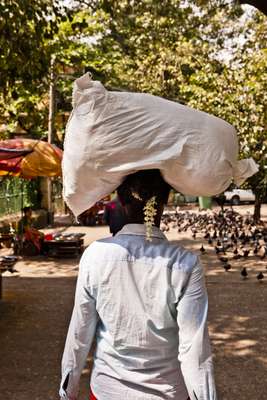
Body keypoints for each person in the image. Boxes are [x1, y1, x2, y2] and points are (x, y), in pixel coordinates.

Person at [59, 169, 217, 400]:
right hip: (167, 393)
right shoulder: (185, 263)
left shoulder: (95, 255)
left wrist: (67, 391)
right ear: (165, 202)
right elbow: (194, 349)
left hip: (107, 392)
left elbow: (80, 332)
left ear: (121, 203)